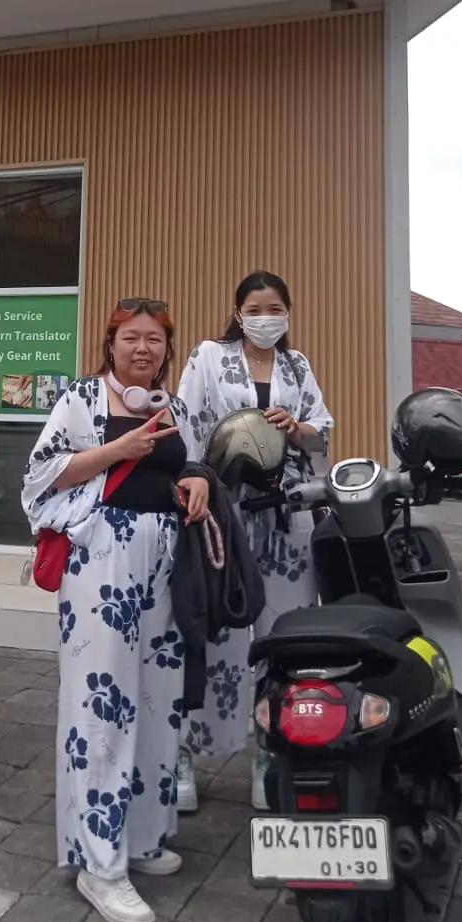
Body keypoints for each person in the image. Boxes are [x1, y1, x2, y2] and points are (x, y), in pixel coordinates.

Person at [22, 298, 210, 922]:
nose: (143, 348)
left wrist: (196, 478)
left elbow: (189, 458)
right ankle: (98, 863)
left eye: (155, 339)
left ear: (166, 348)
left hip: (165, 559)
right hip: (101, 555)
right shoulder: (82, 398)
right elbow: (42, 475)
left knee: (158, 698)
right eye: (132, 337)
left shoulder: (174, 406)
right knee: (101, 702)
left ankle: (144, 836)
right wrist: (118, 448)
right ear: (111, 343)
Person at [176, 271, 334, 812]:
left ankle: (272, 753)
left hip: (286, 517)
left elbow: (321, 431)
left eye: (275, 308)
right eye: (255, 308)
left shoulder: (297, 366)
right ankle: (186, 753)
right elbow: (186, 424)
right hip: (226, 510)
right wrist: (191, 486)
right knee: (215, 627)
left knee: (283, 636)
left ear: (287, 311)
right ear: (238, 312)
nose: (266, 318)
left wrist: (296, 427)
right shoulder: (209, 358)